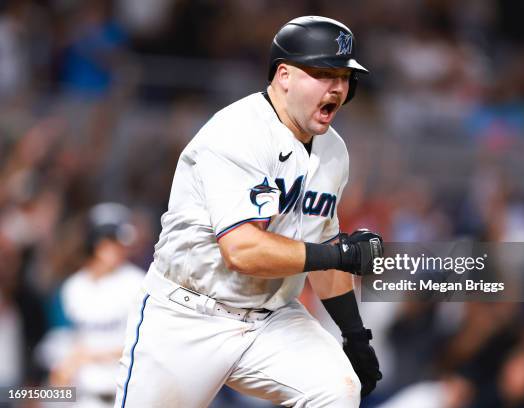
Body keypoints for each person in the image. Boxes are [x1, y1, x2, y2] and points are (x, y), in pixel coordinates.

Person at [114, 16, 383, 408]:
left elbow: (322, 247)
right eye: (324, 73)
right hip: (188, 316)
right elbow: (242, 251)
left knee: (337, 389)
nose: (337, 87)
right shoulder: (238, 132)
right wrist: (341, 253)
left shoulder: (333, 150)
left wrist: (355, 335)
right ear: (284, 75)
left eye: (343, 76)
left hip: (271, 320)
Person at [38, 203, 144, 407]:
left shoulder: (137, 283)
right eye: (109, 241)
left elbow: (145, 344)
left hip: (122, 396)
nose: (116, 249)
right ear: (94, 242)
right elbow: (63, 342)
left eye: (120, 243)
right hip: (83, 397)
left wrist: (92, 354)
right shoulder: (73, 287)